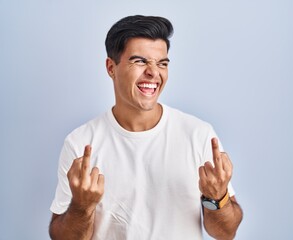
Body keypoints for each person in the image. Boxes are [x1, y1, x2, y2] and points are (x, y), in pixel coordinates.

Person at [49, 15, 243, 240]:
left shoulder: (198, 134)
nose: (154, 72)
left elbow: (225, 233)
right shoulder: (80, 143)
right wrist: (82, 206)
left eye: (162, 63)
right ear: (111, 67)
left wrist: (218, 198)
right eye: (140, 61)